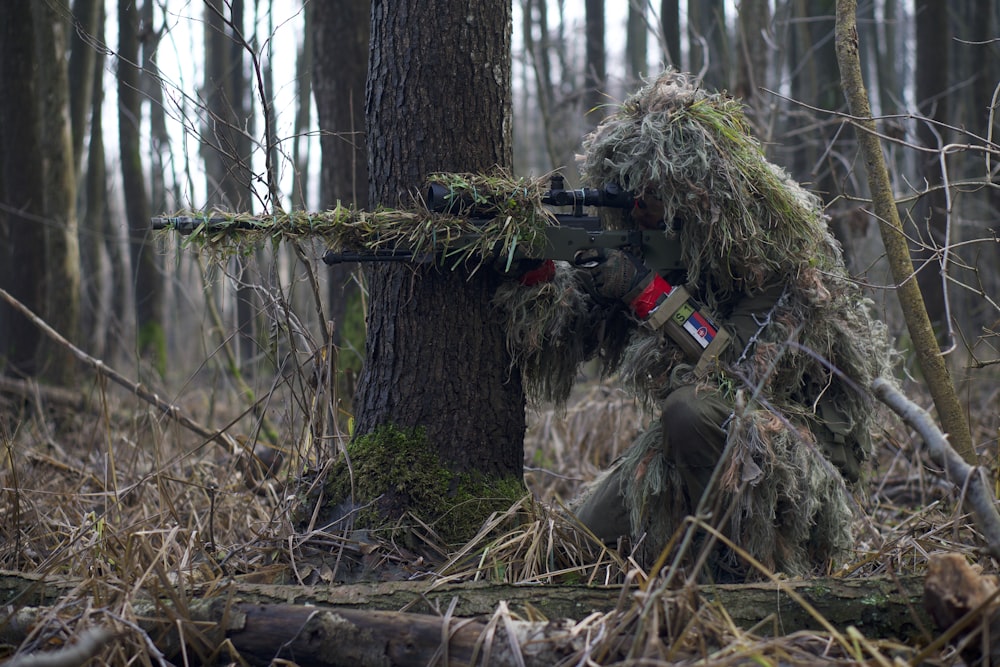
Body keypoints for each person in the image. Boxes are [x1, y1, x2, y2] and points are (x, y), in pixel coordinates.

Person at [494, 71, 895, 580]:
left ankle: (745, 579)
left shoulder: (777, 255)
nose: (638, 209)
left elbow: (738, 373)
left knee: (690, 410)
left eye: (653, 194)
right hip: (691, 448)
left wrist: (645, 290)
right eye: (630, 192)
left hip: (795, 463)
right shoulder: (652, 241)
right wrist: (539, 273)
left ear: (697, 191)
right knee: (570, 549)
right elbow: (572, 332)